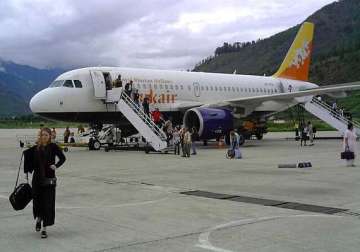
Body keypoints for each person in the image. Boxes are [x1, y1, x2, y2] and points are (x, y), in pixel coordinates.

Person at [31, 128, 66, 238]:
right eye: (42, 135)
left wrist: (56, 166)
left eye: (46, 135)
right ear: (40, 136)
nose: (44, 137)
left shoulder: (54, 147)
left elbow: (63, 158)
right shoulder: (36, 147)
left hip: (49, 179)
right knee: (37, 202)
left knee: (47, 204)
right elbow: (32, 162)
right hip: (37, 179)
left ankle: (44, 229)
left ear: (50, 136)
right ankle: (38, 219)